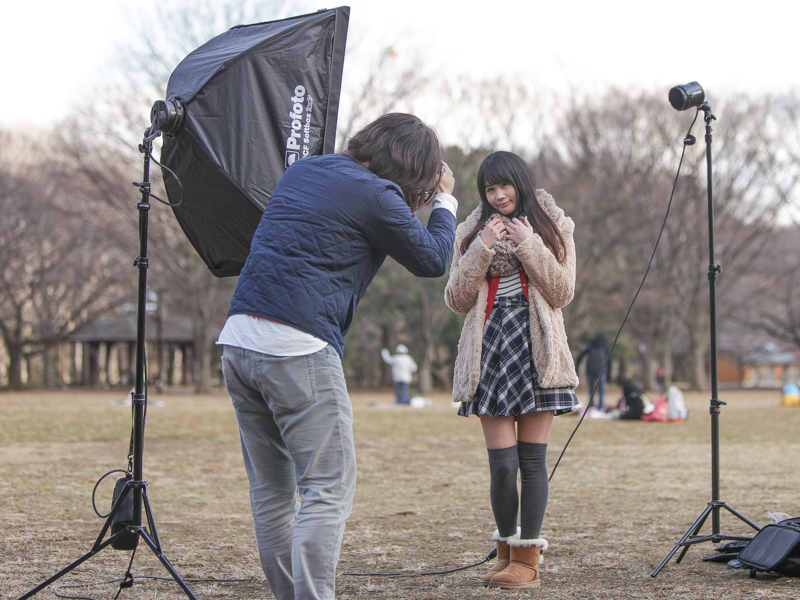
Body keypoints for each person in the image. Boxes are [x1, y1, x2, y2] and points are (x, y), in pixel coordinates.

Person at [217, 113, 458, 600]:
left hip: (238, 338)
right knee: (327, 487)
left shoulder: (304, 169)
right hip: (298, 346)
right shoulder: (377, 194)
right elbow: (433, 259)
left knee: (271, 492)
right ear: (410, 165)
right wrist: (445, 198)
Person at [445, 151, 579, 589]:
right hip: (489, 349)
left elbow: (561, 291)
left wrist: (528, 243)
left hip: (537, 346)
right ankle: (505, 549)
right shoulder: (469, 233)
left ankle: (528, 558)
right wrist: (482, 248)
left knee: (531, 460)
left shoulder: (554, 225)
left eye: (504, 185)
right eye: (489, 188)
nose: (498, 195)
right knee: (501, 464)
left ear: (520, 183)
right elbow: (457, 299)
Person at [575, 332, 611, 411]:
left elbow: (580, 356)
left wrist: (576, 368)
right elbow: (609, 361)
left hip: (590, 371)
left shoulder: (591, 346)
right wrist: (609, 377)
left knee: (591, 390)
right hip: (601, 372)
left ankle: (591, 407)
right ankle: (601, 407)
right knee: (601, 391)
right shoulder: (605, 347)